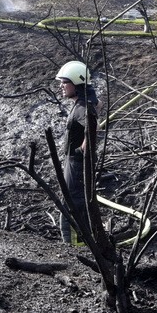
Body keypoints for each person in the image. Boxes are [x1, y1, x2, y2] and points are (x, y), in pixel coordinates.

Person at [55, 61, 98, 245]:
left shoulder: (82, 108)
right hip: (74, 163)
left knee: (72, 204)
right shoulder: (84, 102)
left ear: (75, 83)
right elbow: (98, 107)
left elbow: (92, 125)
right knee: (74, 202)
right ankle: (81, 244)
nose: (61, 86)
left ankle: (72, 247)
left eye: (64, 82)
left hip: (77, 164)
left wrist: (83, 150)